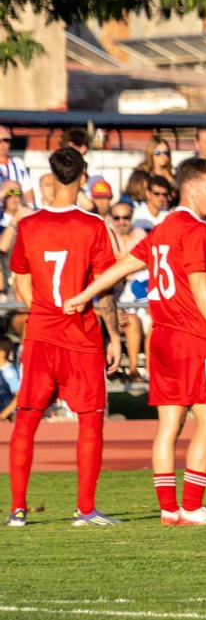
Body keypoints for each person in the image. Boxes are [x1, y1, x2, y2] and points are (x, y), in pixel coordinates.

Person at [69, 157, 206, 526]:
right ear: (190, 188)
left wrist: (84, 294)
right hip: (193, 337)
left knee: (169, 425)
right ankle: (192, 506)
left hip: (161, 337)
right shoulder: (195, 228)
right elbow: (200, 286)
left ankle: (168, 509)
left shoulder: (164, 227)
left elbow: (124, 265)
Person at [6, 149, 122, 527]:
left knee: (27, 418)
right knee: (90, 419)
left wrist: (42, 309)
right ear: (83, 177)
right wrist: (114, 335)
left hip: (41, 333)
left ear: (52, 177)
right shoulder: (93, 226)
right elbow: (105, 287)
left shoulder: (29, 225)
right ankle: (85, 509)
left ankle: (18, 510)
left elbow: (21, 279)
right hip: (80, 335)